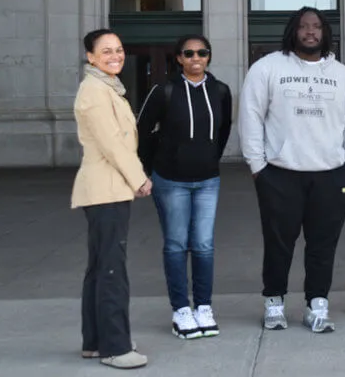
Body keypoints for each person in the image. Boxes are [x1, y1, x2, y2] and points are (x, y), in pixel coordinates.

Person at [238, 7, 345, 333]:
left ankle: (317, 305)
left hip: (332, 174)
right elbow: (250, 117)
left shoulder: (343, 75)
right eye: (304, 26)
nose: (310, 32)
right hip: (280, 174)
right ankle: (274, 302)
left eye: (317, 26)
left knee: (323, 244)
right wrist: (257, 167)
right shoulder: (267, 68)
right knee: (278, 243)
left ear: (326, 32)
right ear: (293, 31)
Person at [137, 35, 232, 340]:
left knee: (204, 246)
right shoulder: (164, 90)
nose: (195, 57)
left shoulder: (220, 91)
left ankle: (203, 307)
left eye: (202, 52)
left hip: (207, 181)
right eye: (188, 53)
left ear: (209, 56)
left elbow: (223, 130)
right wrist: (149, 168)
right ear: (178, 58)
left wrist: (207, 159)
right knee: (177, 245)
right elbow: (141, 130)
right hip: (171, 181)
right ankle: (181, 310)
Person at [72, 29, 151, 370]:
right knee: (111, 270)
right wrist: (140, 178)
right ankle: (115, 347)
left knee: (100, 267)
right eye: (105, 50)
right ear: (90, 56)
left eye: (118, 49)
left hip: (106, 188)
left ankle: (95, 341)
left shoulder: (105, 88)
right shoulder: (94, 91)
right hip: (106, 189)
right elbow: (112, 144)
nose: (115, 55)